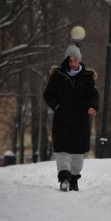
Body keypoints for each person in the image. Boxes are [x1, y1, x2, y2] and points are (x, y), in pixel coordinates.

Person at [43, 45, 99, 191]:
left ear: (79, 61)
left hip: (81, 121)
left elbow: (93, 95)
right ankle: (64, 178)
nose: (72, 63)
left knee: (78, 154)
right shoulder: (58, 76)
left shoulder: (87, 77)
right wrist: (57, 107)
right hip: (62, 120)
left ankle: (74, 179)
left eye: (75, 60)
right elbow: (48, 94)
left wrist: (92, 106)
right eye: (70, 60)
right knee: (62, 150)